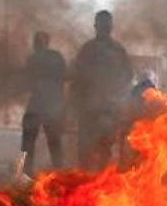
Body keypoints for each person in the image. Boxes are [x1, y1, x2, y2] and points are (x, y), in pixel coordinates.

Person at [70, 10, 133, 171]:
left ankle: (91, 186)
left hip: (97, 109)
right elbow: (127, 77)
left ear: (96, 26)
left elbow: (76, 79)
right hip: (102, 109)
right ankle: (96, 186)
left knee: (93, 151)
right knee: (101, 151)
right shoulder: (116, 50)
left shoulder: (88, 49)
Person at [20, 31, 66, 175]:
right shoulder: (56, 57)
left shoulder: (33, 59)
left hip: (40, 106)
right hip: (48, 106)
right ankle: (58, 173)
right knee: (53, 143)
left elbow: (26, 82)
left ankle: (27, 173)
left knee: (30, 142)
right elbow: (63, 79)